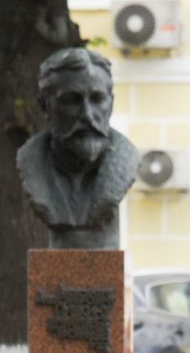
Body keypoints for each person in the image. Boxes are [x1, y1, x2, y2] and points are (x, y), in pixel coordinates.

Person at [17, 46, 141, 249]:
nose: (87, 115)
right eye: (72, 101)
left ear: (111, 103)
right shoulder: (31, 163)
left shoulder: (126, 162)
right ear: (45, 107)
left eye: (97, 99)